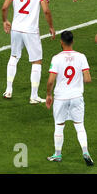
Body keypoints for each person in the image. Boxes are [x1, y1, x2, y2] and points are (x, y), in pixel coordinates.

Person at [1, 0, 55, 104]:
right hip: (31, 30)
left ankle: (8, 90)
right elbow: (46, 11)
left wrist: (5, 20)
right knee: (36, 61)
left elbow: (4, 7)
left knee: (14, 56)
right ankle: (33, 96)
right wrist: (51, 27)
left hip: (16, 29)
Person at [45, 31, 93, 165]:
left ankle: (58, 154)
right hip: (77, 96)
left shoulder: (56, 58)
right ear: (73, 41)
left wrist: (49, 95)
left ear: (61, 42)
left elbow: (50, 81)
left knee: (59, 125)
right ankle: (85, 152)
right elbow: (88, 79)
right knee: (80, 126)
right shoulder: (81, 56)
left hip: (61, 98)